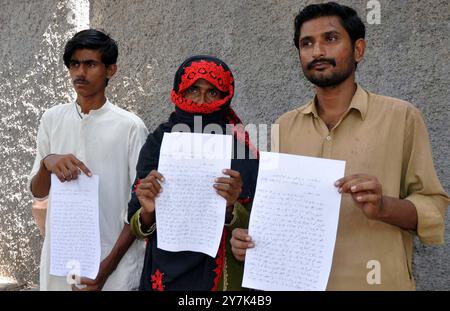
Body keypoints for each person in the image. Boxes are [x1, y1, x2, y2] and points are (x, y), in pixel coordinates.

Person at [230, 2, 449, 290]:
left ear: (358, 50)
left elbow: (433, 206)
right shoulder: (284, 126)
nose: (317, 51)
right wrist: (250, 240)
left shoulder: (401, 117)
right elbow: (282, 214)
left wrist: (384, 206)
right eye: (307, 43)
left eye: (330, 39)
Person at [28, 29, 148, 290]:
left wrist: (106, 268)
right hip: (61, 261)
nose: (80, 72)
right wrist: (47, 162)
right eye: (74, 64)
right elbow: (38, 192)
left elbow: (140, 207)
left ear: (110, 70)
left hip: (114, 263)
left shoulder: (130, 127)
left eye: (90, 64)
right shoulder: (52, 119)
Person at [127, 55, 259, 291]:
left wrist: (230, 208)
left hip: (222, 276)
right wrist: (147, 210)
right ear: (180, 92)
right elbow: (136, 224)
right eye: (193, 90)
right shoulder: (159, 142)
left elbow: (261, 227)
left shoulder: (241, 149)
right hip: (163, 275)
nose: (201, 101)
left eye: (213, 93)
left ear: (225, 96)